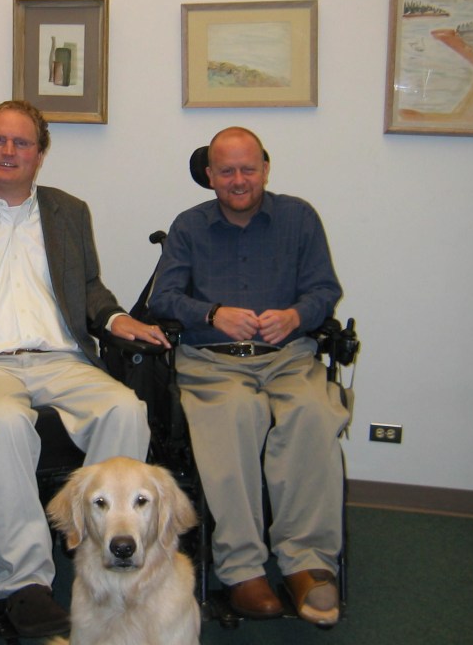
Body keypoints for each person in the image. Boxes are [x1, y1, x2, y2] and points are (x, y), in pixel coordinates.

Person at [0, 100, 170, 638]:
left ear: (39, 155)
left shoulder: (69, 211)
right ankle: (25, 584)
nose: (8, 151)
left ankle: (108, 565)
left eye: (22, 143)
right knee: (3, 422)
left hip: (62, 358)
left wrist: (115, 317)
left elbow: (89, 288)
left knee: (126, 410)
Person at [148, 126, 348, 627]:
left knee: (313, 414)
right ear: (210, 175)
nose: (239, 180)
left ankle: (306, 564)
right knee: (236, 416)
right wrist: (213, 313)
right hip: (213, 362)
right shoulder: (189, 227)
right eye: (227, 170)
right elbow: (162, 300)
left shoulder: (299, 218)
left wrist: (295, 316)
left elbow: (324, 290)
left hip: (288, 355)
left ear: (265, 168)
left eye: (248, 169)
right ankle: (242, 569)